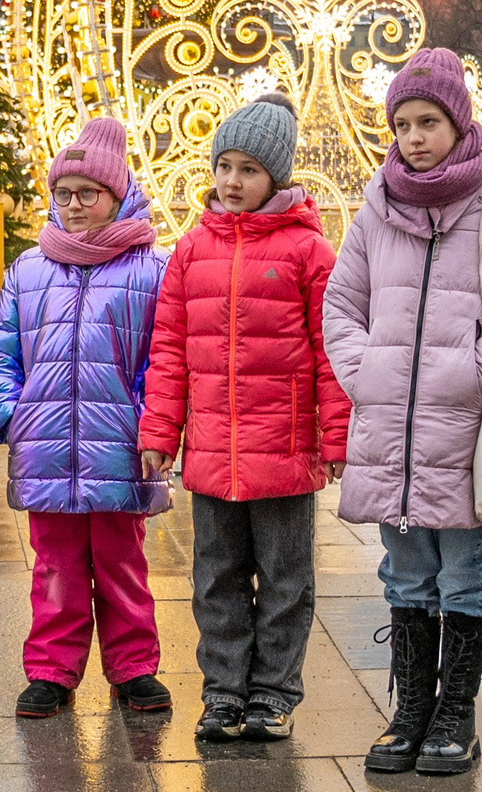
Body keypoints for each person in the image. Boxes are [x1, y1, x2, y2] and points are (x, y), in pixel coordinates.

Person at [325, 47, 482, 775]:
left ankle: (456, 712)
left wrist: (477, 371)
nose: (415, 136)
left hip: (462, 428)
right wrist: (367, 373)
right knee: (405, 572)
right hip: (391, 425)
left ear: (459, 122)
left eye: (429, 121)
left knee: (463, 570)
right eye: (403, 123)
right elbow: (342, 304)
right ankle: (411, 708)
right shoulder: (375, 212)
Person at [139, 93, 349, 742]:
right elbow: (169, 348)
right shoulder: (191, 249)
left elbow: (331, 353)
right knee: (216, 579)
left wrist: (336, 436)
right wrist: (159, 432)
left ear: (276, 176)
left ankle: (274, 693)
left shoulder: (309, 253)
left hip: (284, 454)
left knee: (286, 581)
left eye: (248, 169)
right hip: (211, 452)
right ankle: (225, 691)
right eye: (224, 165)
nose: (232, 180)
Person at [0, 116, 173, 719]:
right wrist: (13, 416)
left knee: (121, 564)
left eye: (88, 194)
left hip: (119, 448)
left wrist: (149, 424)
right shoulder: (30, 269)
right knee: (56, 569)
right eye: (63, 194)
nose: (73, 206)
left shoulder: (150, 269)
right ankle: (51, 671)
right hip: (45, 448)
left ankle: (134, 666)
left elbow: (163, 356)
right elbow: (0, 352)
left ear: (117, 195)